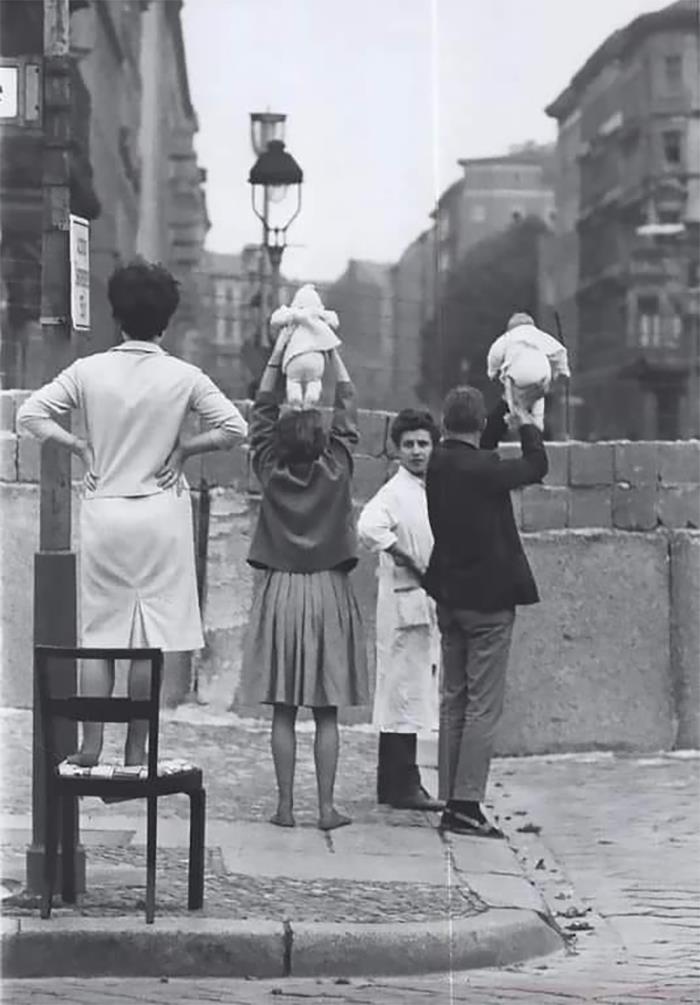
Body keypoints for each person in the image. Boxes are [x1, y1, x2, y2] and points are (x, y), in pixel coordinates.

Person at [17, 260, 248, 767]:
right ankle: (137, 749)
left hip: (106, 510)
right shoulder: (185, 377)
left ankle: (91, 745)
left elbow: (30, 413)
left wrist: (79, 445)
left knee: (101, 635)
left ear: (116, 315)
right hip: (161, 512)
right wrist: (186, 449)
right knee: (150, 637)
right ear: (166, 320)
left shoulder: (88, 371)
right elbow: (234, 429)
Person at [238, 329, 369, 832]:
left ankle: (285, 806)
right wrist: (330, 348)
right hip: (327, 590)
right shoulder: (337, 468)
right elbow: (349, 410)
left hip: (281, 590)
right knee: (327, 712)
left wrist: (277, 354)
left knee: (284, 711)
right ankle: (326, 808)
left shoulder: (269, 468)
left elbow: (261, 414)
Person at [423, 386, 548, 838]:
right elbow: (537, 466)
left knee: (453, 700)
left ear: (442, 425)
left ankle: (450, 798)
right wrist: (529, 423)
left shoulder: (437, 462)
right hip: (489, 603)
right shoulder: (484, 470)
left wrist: (504, 404)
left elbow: (481, 444)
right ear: (476, 426)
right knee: (482, 708)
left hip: (449, 598)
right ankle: (468, 804)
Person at [357, 409, 443, 811]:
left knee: (413, 692)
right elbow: (369, 526)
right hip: (403, 601)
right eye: (408, 445)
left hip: (425, 602)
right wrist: (405, 554)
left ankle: (397, 783)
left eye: (423, 444)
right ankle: (401, 784)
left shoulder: (431, 488)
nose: (416, 452)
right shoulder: (395, 491)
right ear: (397, 449)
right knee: (401, 693)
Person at [487, 312, 570, 432]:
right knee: (538, 398)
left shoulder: (508, 337)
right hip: (542, 375)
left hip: (517, 375)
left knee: (513, 403)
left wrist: (493, 373)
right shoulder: (540, 335)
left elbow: (494, 355)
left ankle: (515, 417)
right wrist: (562, 372)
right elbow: (560, 351)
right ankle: (538, 426)